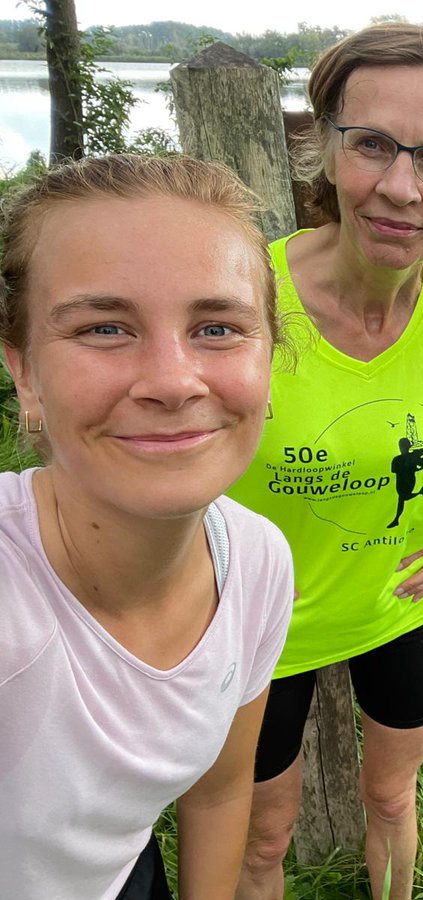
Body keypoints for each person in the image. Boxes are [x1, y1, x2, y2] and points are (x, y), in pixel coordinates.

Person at [226, 22, 423, 900]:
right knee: (261, 840)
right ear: (326, 150)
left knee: (391, 795)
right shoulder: (243, 298)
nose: (400, 188)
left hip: (398, 609)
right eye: (372, 146)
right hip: (255, 630)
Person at [0, 154, 294, 899]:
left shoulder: (255, 560)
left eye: (219, 327)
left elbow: (220, 792)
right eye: (104, 328)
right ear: (24, 372)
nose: (171, 380)